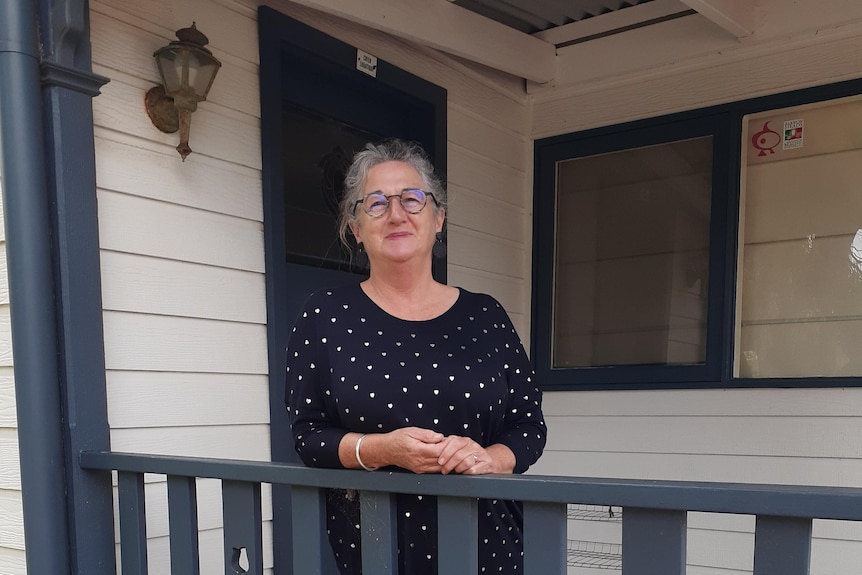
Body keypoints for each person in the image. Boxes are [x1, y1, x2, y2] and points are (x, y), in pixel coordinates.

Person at [285, 139, 547, 575]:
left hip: (490, 544)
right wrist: (383, 449)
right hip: (378, 548)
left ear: (438, 217)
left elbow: (528, 426)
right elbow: (309, 435)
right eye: (376, 203)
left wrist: (490, 458)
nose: (396, 213)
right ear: (355, 226)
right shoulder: (324, 315)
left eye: (412, 198)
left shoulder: (487, 316)